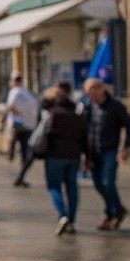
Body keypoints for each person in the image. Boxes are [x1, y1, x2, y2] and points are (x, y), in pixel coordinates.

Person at [81, 78, 130, 230]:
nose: (89, 95)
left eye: (91, 90)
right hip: (93, 152)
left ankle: (110, 213)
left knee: (107, 182)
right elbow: (83, 131)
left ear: (101, 89)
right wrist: (83, 154)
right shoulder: (88, 108)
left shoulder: (115, 106)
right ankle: (116, 210)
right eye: (87, 92)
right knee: (98, 184)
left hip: (109, 150)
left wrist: (126, 147)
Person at [36, 82, 87, 235]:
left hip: (54, 155)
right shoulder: (77, 112)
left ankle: (62, 215)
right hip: (73, 156)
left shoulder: (51, 112)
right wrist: (87, 156)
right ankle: (72, 221)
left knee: (54, 186)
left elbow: (44, 127)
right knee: (72, 187)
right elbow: (85, 137)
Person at [5, 73, 41, 187]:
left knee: (23, 146)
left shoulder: (15, 91)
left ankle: (12, 154)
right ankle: (21, 173)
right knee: (25, 149)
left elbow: (10, 106)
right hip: (28, 124)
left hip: (21, 123)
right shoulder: (25, 92)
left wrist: (19, 114)